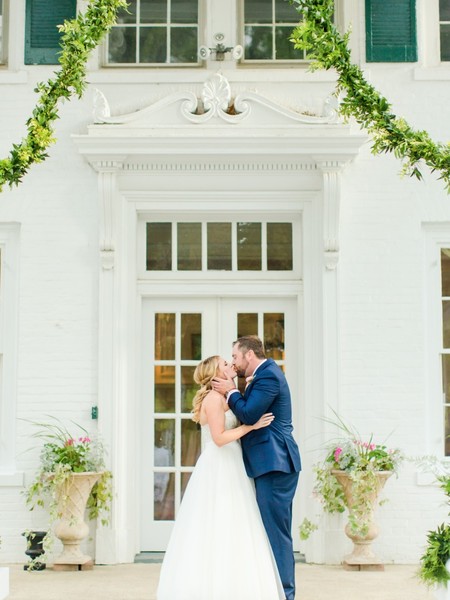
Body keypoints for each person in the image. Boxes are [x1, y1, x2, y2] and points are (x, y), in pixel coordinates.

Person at [156, 355, 285, 600]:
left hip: (232, 462)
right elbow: (219, 438)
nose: (231, 365)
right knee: (220, 520)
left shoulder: (226, 396)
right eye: (225, 363)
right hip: (219, 465)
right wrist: (251, 426)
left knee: (236, 521)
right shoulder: (214, 399)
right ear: (216, 372)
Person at [212, 336, 301, 600]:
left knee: (277, 533)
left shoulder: (269, 377)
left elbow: (249, 414)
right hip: (266, 464)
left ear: (249, 355)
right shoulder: (260, 378)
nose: (235, 363)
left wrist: (230, 390)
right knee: (268, 531)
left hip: (276, 463)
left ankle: (286, 594)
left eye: (236, 357)